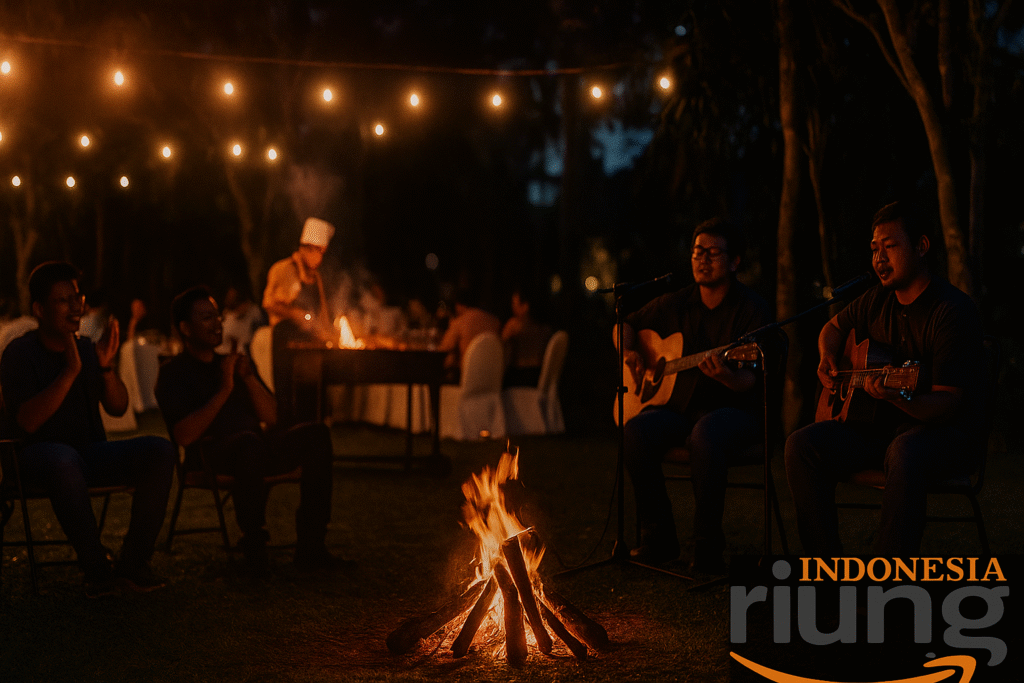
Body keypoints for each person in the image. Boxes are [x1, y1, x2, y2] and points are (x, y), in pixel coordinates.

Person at [785, 201, 985, 556]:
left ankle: (885, 580)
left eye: (889, 247)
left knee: (905, 449)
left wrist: (900, 397)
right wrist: (827, 355)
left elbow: (949, 400)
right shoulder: (876, 299)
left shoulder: (952, 311)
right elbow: (833, 327)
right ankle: (826, 570)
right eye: (874, 249)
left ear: (921, 247)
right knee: (801, 445)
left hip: (945, 437)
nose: (879, 259)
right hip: (880, 427)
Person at [0, 262, 176, 597]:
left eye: (77, 297)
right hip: (35, 460)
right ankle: (97, 569)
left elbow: (118, 407)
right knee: (61, 458)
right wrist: (70, 372)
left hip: (86, 454)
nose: (76, 306)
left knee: (160, 449)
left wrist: (106, 368)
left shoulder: (85, 348)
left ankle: (133, 564)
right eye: (63, 300)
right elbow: (27, 422)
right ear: (39, 309)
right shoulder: (20, 353)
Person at [156, 286, 344, 576]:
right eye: (206, 318)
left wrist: (248, 379)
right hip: (212, 455)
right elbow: (184, 436)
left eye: (217, 316)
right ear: (185, 328)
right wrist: (225, 388)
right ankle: (254, 542)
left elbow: (272, 417)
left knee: (316, 434)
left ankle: (311, 546)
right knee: (248, 443)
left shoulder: (234, 363)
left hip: (258, 448)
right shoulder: (173, 373)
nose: (217, 323)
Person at [618, 218, 771, 572]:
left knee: (705, 434)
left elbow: (753, 380)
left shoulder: (752, 309)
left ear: (735, 261)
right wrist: (630, 352)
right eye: (697, 252)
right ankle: (657, 538)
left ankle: (706, 546)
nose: (702, 259)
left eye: (713, 253)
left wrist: (729, 377)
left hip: (737, 412)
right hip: (682, 410)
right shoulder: (676, 302)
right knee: (635, 432)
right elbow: (624, 324)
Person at [262, 217, 336, 423]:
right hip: (286, 339)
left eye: (323, 252)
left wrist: (327, 332)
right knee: (288, 391)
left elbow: (321, 312)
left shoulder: (316, 277)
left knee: (312, 393)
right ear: (307, 248)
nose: (320, 257)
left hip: (310, 341)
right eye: (319, 251)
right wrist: (297, 315)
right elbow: (268, 302)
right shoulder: (282, 269)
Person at [437, 286, 501, 382]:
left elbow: (445, 348)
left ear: (458, 304)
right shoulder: (495, 321)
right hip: (494, 377)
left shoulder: (459, 322)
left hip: (466, 377)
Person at [501, 287, 553, 387]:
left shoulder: (514, 324)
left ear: (525, 306)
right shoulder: (546, 328)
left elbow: (500, 347)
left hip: (519, 376)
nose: (512, 307)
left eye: (514, 303)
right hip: (539, 376)